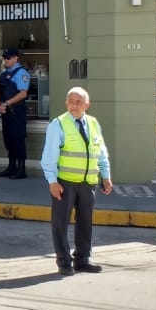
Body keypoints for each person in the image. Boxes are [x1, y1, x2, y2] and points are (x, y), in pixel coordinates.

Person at [40, 87, 113, 276]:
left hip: (88, 182)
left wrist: (106, 176)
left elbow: (101, 152)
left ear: (87, 105)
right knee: (60, 223)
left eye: (79, 102)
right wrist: (52, 181)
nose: (74, 105)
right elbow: (49, 157)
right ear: (66, 103)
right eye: (71, 101)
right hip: (65, 182)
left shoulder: (93, 123)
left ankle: (82, 260)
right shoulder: (58, 125)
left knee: (85, 223)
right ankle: (64, 262)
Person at [0, 47, 31, 179]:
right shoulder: (4, 74)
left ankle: (21, 169)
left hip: (16, 112)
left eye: (8, 58)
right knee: (8, 140)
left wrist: (6, 104)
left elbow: (23, 94)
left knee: (18, 140)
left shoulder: (21, 73)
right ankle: (11, 167)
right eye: (4, 58)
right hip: (6, 112)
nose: (6, 60)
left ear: (16, 58)